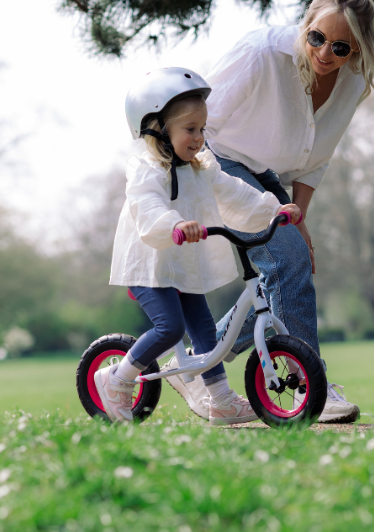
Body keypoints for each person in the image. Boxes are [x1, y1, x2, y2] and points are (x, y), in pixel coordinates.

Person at [167, 0, 374, 423]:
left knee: (286, 266)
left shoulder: (352, 82)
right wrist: (190, 184)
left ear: (359, 51)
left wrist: (299, 219)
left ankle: (194, 363)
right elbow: (200, 126)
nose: (325, 53)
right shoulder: (260, 54)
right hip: (219, 161)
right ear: (305, 24)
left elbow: (315, 158)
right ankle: (310, 387)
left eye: (340, 47)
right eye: (316, 37)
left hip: (269, 178)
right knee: (287, 261)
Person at [93, 67, 301, 424]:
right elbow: (148, 206)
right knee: (170, 328)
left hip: (183, 263)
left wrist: (273, 208)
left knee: (204, 327)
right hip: (150, 264)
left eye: (202, 129)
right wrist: (174, 224)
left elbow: (235, 194)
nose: (199, 138)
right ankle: (115, 379)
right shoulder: (147, 170)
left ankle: (219, 399)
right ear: (158, 129)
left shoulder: (203, 166)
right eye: (190, 129)